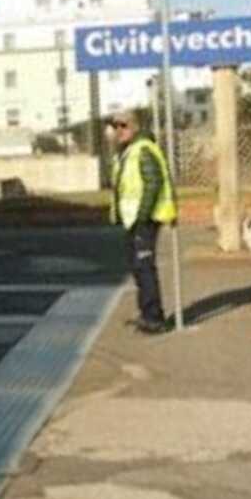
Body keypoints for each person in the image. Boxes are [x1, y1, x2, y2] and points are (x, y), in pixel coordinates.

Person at [109, 111, 178, 335]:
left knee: (144, 266)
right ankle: (146, 313)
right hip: (133, 219)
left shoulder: (143, 149)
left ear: (135, 127)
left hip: (144, 219)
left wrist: (142, 215)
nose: (118, 130)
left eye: (123, 126)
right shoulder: (127, 152)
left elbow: (153, 182)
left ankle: (154, 318)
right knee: (137, 267)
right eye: (115, 126)